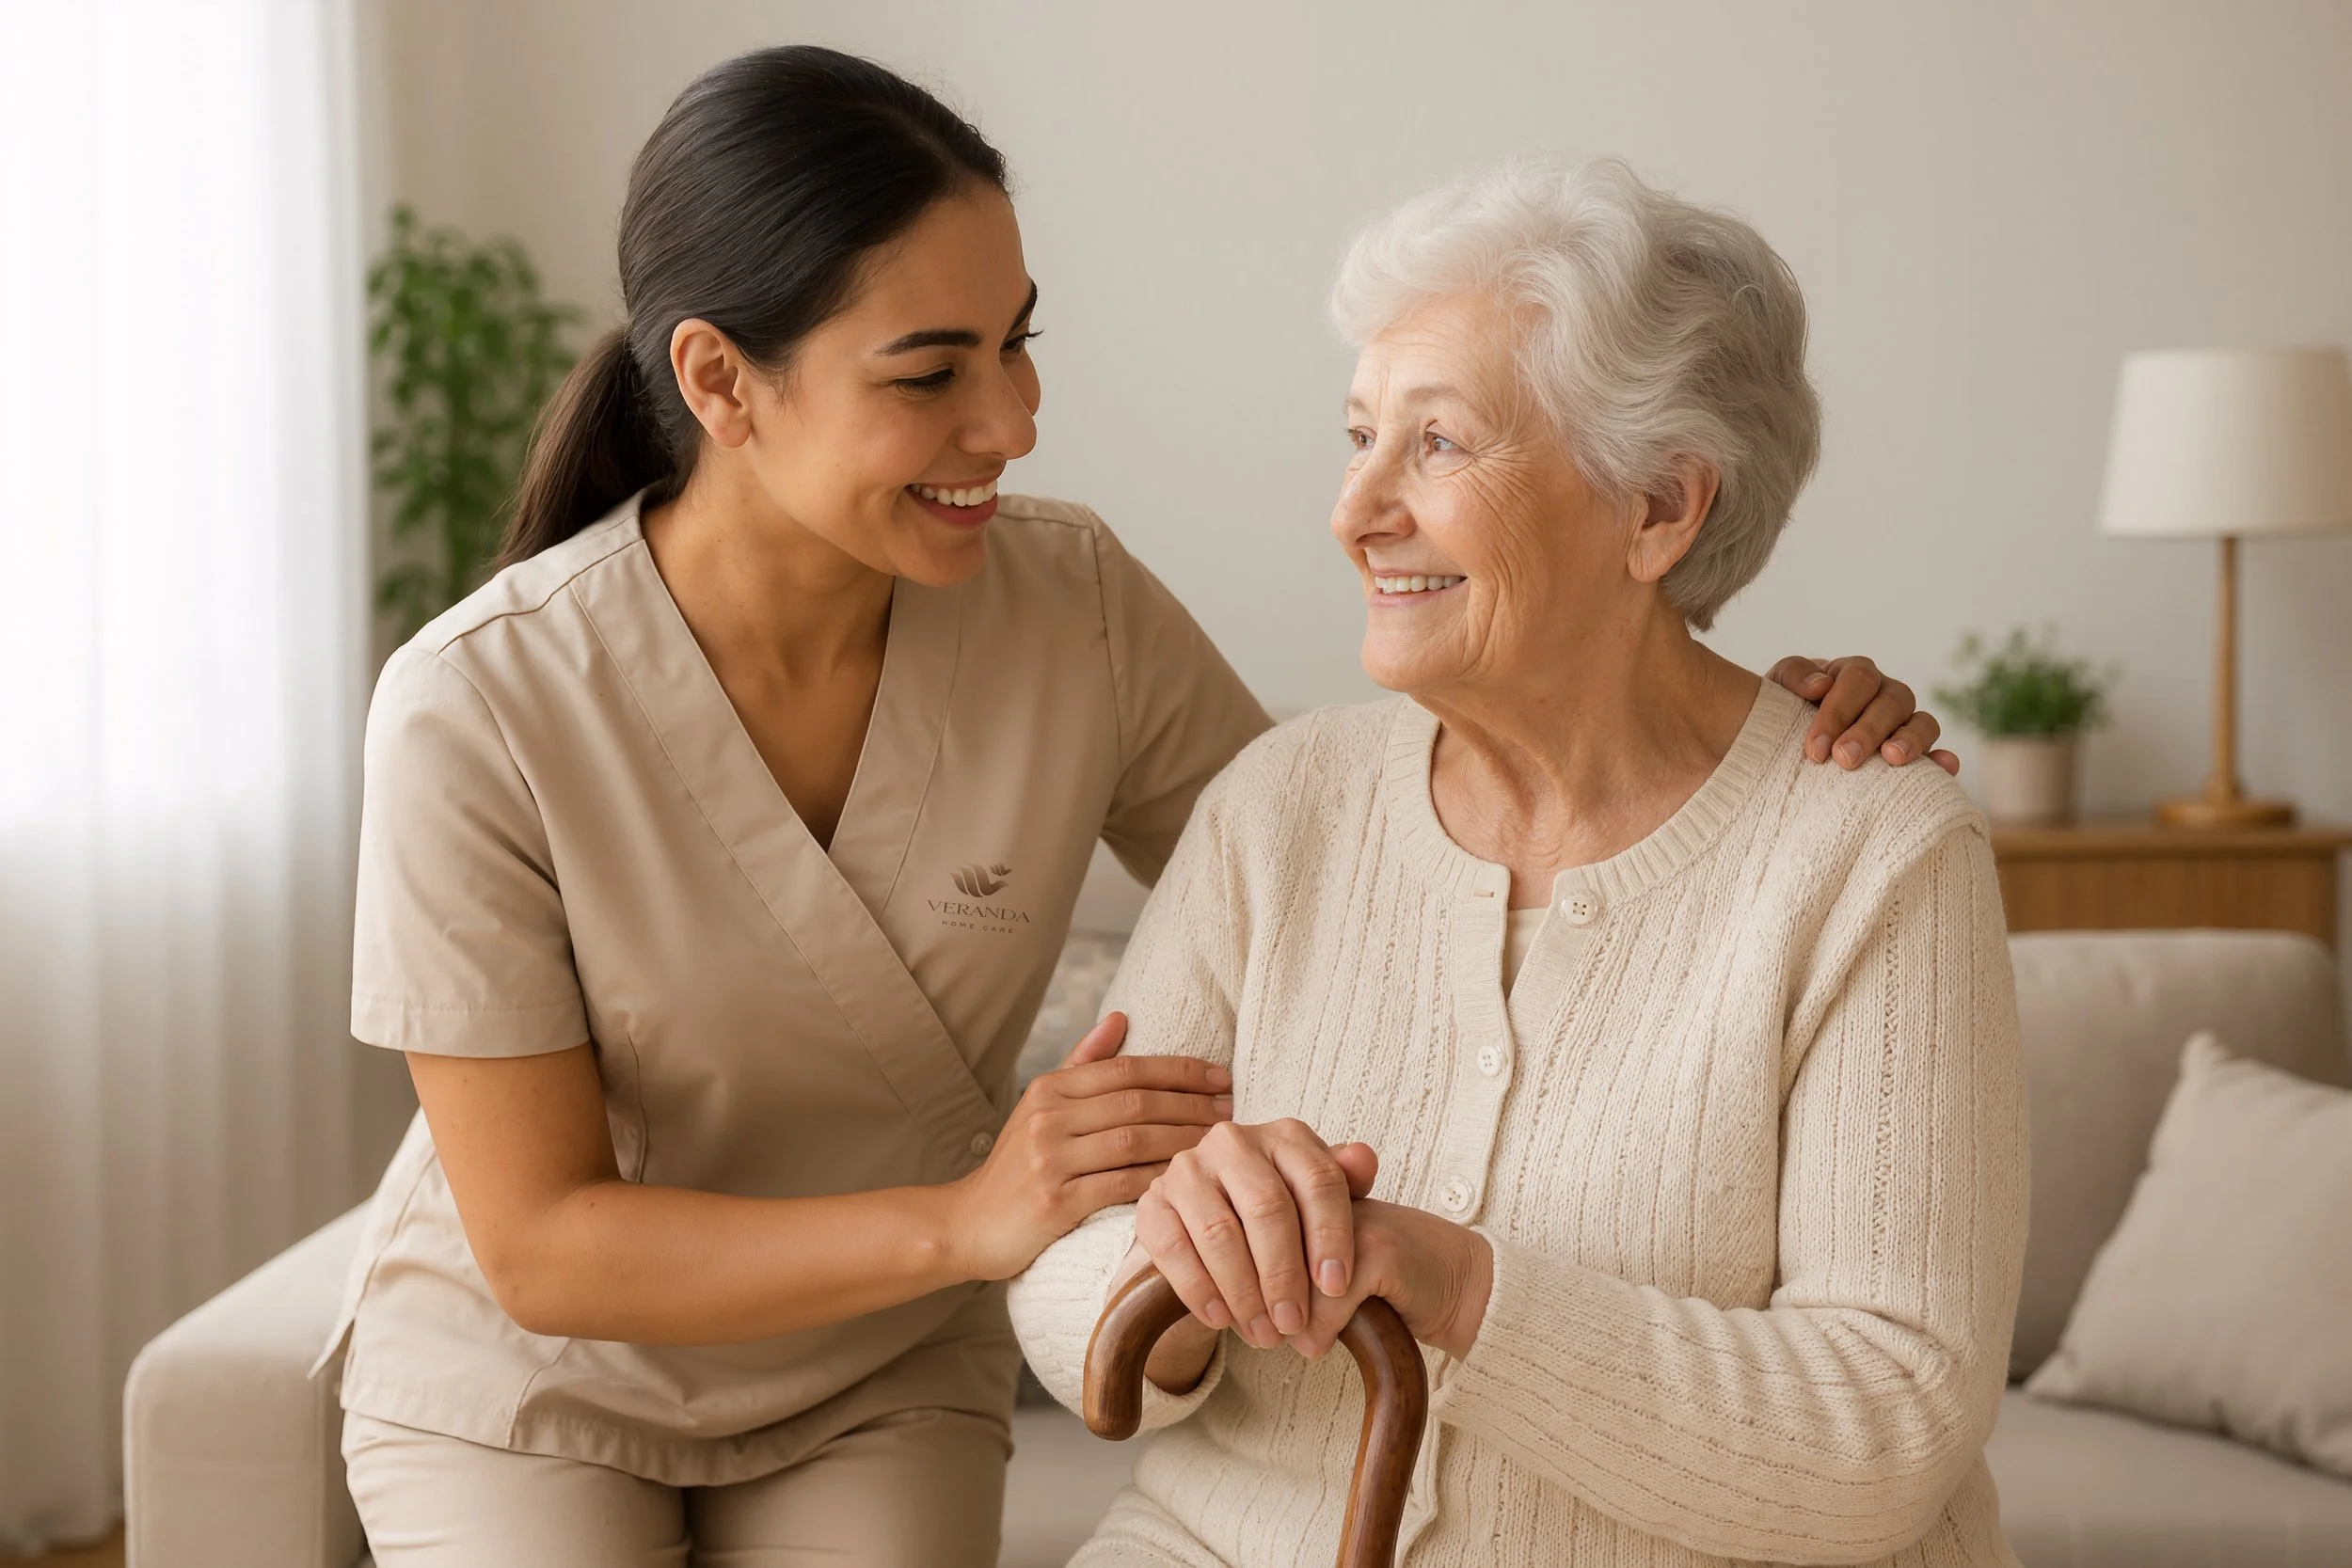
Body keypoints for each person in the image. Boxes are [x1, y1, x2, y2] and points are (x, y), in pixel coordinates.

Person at [327, 48, 1954, 1568]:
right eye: (932, 370)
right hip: (542, 1368)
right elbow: (541, 1243)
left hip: (876, 1375)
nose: (1014, 421)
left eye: (1020, 340)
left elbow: (1369, 869)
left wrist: (1731, 719)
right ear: (720, 382)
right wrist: (975, 1218)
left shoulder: (1070, 605)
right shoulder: (479, 703)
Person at [1011, 155, 2028, 1568]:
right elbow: (1067, 1285)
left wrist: (1458, 1285)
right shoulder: (1278, 805)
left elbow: (1886, 1429)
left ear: (1661, 506)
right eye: (1358, 434)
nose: (1354, 508)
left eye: (1436, 445)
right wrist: (1175, 1254)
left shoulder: (1871, 851)